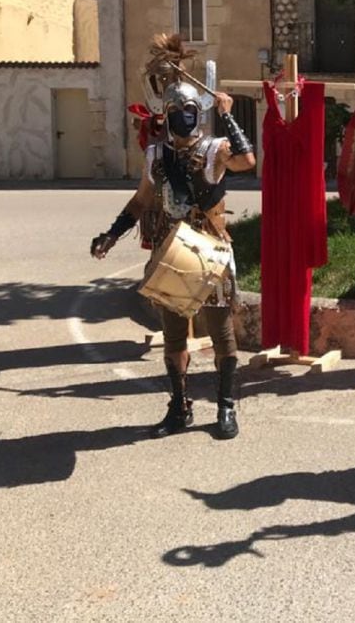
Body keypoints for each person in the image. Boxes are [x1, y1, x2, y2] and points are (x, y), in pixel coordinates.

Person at [90, 45, 255, 440]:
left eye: (190, 111)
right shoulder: (155, 155)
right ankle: (179, 406)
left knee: (221, 334)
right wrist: (111, 234)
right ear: (166, 115)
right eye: (177, 112)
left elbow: (248, 161)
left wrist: (228, 116)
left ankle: (226, 407)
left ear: (198, 113)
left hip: (210, 252)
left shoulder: (216, 150)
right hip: (171, 251)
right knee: (175, 336)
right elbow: (142, 200)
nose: (184, 117)